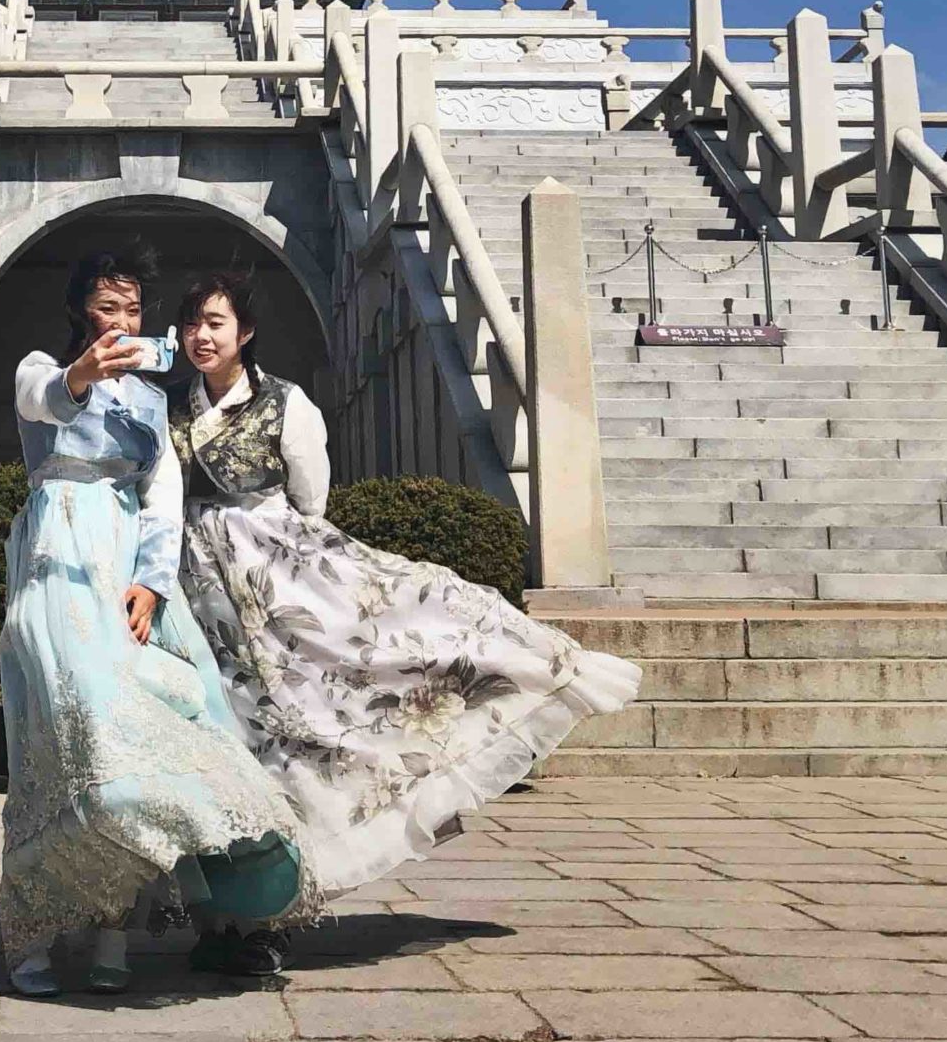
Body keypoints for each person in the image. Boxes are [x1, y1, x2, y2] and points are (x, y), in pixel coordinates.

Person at [168, 270, 643, 973]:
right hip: (196, 598)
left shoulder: (285, 404)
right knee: (222, 745)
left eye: (215, 322)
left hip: (282, 585)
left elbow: (310, 497)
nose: (201, 336)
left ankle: (270, 918)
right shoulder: (169, 411)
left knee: (309, 730)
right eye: (191, 324)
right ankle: (221, 915)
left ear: (246, 333)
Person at [0, 248, 317, 997]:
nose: (124, 324)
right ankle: (35, 931)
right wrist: (85, 373)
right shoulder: (41, 367)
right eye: (109, 308)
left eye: (134, 311)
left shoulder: (149, 402)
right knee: (67, 732)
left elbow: (163, 499)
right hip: (54, 563)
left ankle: (113, 928)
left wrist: (149, 583)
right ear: (82, 310)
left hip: (125, 577)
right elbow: (43, 396)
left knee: (147, 731)